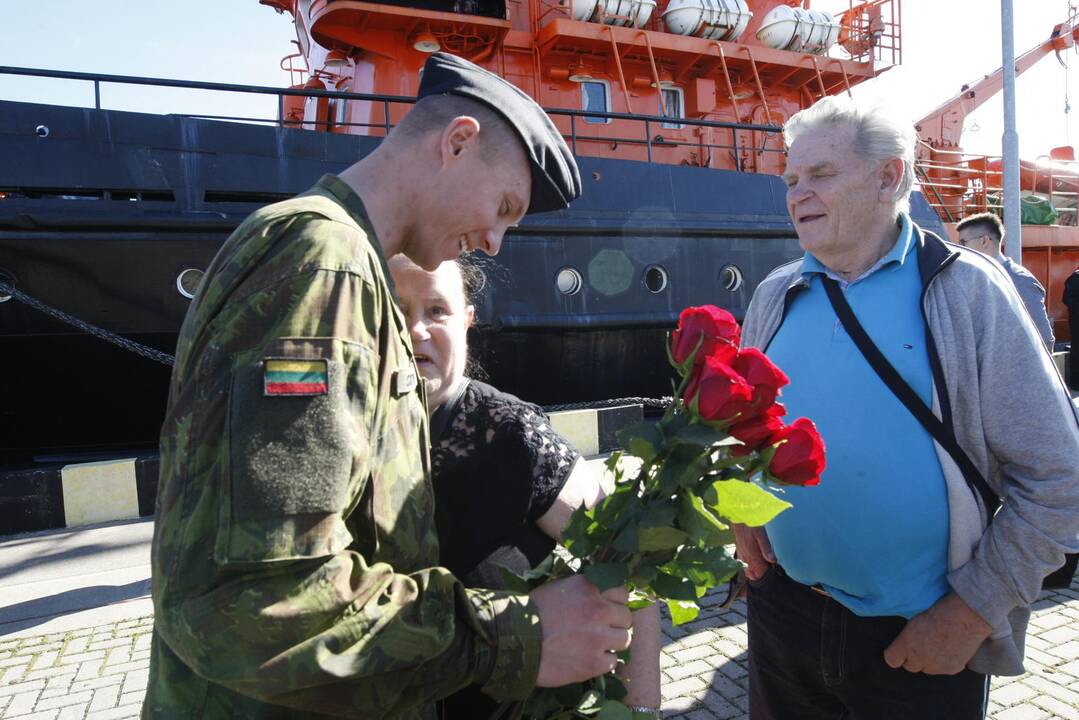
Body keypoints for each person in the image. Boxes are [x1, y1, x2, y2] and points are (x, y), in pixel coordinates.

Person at [144, 53, 637, 719]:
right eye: (504, 206)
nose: (492, 242)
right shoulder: (327, 263)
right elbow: (265, 591)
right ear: (457, 142)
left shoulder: (338, 261)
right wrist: (515, 635)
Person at [733, 95, 1079, 720]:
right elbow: (746, 430)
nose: (796, 194)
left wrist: (972, 612)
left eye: (821, 175)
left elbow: (1059, 478)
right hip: (783, 614)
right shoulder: (775, 295)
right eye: (790, 179)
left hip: (918, 637)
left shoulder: (966, 292)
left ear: (889, 176)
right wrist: (741, 509)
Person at [389, 254, 662, 718]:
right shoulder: (345, 435)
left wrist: (640, 710)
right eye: (397, 311)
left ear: (467, 321)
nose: (415, 330)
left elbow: (628, 563)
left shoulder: (509, 431)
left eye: (436, 310)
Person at [955, 212, 1056, 351]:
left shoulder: (1018, 280)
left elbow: (1043, 338)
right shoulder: (981, 278)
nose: (959, 248)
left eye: (963, 242)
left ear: (984, 241)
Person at [1066, 266, 1079, 390]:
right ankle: (1075, 382)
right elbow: (1067, 298)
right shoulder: (1075, 277)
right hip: (1077, 323)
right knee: (1077, 351)